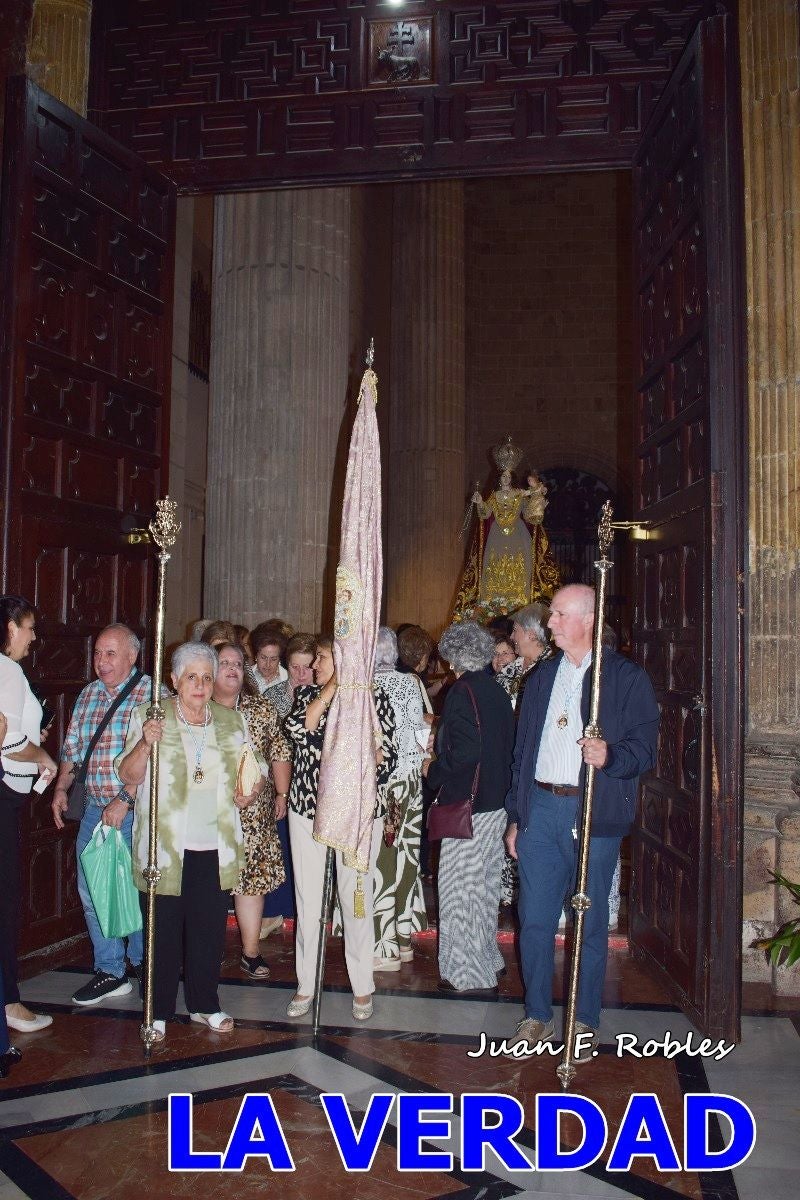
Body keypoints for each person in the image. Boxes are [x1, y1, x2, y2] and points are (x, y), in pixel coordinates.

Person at [504, 584, 659, 1060]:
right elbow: (522, 752)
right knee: (532, 920)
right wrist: (517, 817)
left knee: (587, 923)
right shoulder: (542, 677)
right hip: (541, 811)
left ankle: (584, 1022)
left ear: (588, 620)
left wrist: (610, 755)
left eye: (557, 615)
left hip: (592, 813)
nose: (549, 623)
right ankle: (535, 1015)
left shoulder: (624, 678)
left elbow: (645, 748)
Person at [117, 642, 263, 1042]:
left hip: (214, 846)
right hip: (164, 848)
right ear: (174, 680)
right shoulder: (151, 717)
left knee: (207, 931)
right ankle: (159, 1010)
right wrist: (146, 743)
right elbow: (128, 774)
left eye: (206, 677)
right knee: (161, 932)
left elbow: (256, 768)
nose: (200, 685)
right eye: (191, 677)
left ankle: (205, 1004)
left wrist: (249, 788)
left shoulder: (230, 722)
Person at [284, 636, 395, 1022]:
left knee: (356, 900)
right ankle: (306, 983)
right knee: (309, 899)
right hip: (308, 810)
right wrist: (333, 685)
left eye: (323, 658)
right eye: (316, 658)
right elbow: (301, 730)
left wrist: (369, 752)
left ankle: (363, 986)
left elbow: (386, 759)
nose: (314, 665)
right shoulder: (306, 696)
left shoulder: (374, 698)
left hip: (358, 814)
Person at [51, 624, 153, 1006]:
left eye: (111, 653)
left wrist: (124, 798)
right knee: (93, 889)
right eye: (97, 653)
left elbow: (157, 760)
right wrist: (62, 788)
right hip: (94, 808)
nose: (101, 661)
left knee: (137, 889)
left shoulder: (152, 696)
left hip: (134, 811)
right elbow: (74, 747)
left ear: (132, 656)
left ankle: (144, 963)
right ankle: (111, 970)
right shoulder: (89, 694)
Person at [423, 622, 514, 994]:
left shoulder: (461, 691)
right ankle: (489, 958)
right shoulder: (493, 689)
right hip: (495, 803)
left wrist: (434, 769)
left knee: (460, 889)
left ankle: (466, 973)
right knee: (485, 887)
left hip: (468, 807)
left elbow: (465, 751)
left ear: (451, 656)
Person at [212, 642, 290, 978]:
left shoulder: (261, 709)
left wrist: (282, 793)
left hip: (253, 815)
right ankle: (207, 949)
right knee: (209, 884)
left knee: (251, 883)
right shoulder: (197, 708)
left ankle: (251, 952)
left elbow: (279, 750)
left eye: (237, 664)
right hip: (210, 813)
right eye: (224, 663)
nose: (232, 669)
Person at [0, 596, 58, 1034]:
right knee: (6, 901)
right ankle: (9, 1004)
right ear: (10, 626)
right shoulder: (8, 670)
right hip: (5, 792)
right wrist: (44, 756)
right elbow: (7, 741)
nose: (34, 637)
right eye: (30, 627)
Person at [453, 436, 559, 621]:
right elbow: (485, 513)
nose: (506, 478)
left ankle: (520, 604)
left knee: (520, 567)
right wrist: (479, 502)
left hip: (518, 536)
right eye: (503, 475)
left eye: (509, 476)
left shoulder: (518, 493)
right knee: (494, 567)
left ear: (512, 478)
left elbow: (531, 494)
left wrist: (538, 489)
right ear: (499, 478)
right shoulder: (494, 496)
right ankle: (492, 605)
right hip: (497, 537)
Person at [371, 628, 429, 969]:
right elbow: (421, 728)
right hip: (408, 784)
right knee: (406, 857)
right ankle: (403, 936)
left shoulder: (366, 687)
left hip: (383, 787)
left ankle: (384, 946)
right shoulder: (410, 683)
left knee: (383, 861)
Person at [260, 632, 316, 938]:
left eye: (307, 667)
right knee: (280, 844)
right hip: (280, 781)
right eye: (294, 667)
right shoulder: (273, 696)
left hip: (313, 783)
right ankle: (276, 911)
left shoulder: (324, 696)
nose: (300, 674)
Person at [496, 602, 553, 710]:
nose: (511, 637)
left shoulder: (552, 666)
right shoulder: (510, 669)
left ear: (531, 635)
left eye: (515, 630)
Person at [250, 626, 287, 701]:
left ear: (279, 659)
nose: (268, 664)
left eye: (273, 659)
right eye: (263, 658)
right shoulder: (245, 676)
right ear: (256, 656)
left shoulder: (288, 679)